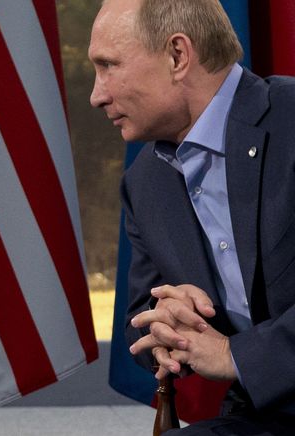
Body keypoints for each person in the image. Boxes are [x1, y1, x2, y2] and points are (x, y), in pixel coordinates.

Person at [89, 0, 295, 434]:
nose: (97, 95)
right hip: (262, 415)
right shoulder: (145, 182)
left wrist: (237, 357)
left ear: (177, 55)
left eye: (108, 66)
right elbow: (139, 317)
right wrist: (166, 320)